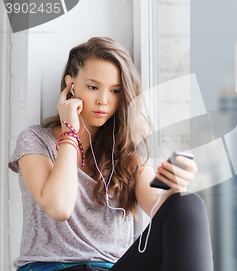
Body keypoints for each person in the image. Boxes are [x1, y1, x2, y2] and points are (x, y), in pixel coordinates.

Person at [7, 37, 213, 271]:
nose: (103, 101)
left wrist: (176, 183)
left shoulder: (125, 155)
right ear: (71, 84)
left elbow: (166, 211)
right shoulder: (36, 141)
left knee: (187, 204)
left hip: (112, 268)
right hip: (50, 268)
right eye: (93, 87)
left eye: (115, 91)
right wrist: (70, 133)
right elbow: (59, 208)